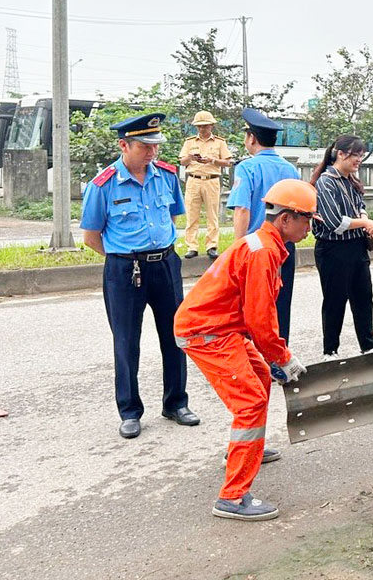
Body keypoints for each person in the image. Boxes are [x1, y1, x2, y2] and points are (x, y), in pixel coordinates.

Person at [175, 179, 315, 520]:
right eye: (306, 219)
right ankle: (233, 497)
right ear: (285, 219)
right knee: (250, 402)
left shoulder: (265, 245)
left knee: (260, 378)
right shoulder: (264, 252)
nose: (309, 227)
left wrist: (275, 359)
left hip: (221, 327)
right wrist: (283, 356)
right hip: (207, 332)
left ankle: (249, 449)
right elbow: (259, 319)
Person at [79, 113, 198, 439]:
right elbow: (91, 236)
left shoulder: (167, 176)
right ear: (123, 145)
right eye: (144, 146)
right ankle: (130, 411)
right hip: (124, 270)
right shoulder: (102, 185)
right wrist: (123, 255)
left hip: (165, 265)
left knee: (176, 336)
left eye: (155, 145)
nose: (152, 152)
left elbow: (175, 215)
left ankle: (176, 402)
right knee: (126, 342)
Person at [227, 108, 301, 342]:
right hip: (284, 248)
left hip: (256, 249)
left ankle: (255, 363)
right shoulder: (289, 169)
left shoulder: (246, 168)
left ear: (251, 138)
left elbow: (242, 209)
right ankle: (280, 358)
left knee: (253, 308)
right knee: (280, 304)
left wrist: (238, 249)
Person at [311, 135, 373, 358]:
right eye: (355, 155)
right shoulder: (326, 181)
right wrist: (365, 223)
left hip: (356, 246)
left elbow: (360, 205)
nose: (359, 159)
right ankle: (330, 351)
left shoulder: (350, 179)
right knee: (335, 301)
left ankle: (369, 347)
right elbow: (334, 222)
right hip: (333, 249)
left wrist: (364, 218)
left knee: (363, 298)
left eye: (361, 155)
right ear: (340, 154)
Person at [179, 110, 232, 260]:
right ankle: (192, 246)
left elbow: (227, 161)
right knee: (192, 214)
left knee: (212, 215)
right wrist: (190, 157)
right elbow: (182, 162)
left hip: (212, 179)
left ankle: (212, 246)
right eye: (200, 126)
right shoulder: (189, 142)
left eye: (206, 126)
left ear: (211, 126)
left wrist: (212, 160)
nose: (203, 129)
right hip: (193, 180)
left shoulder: (219, 142)